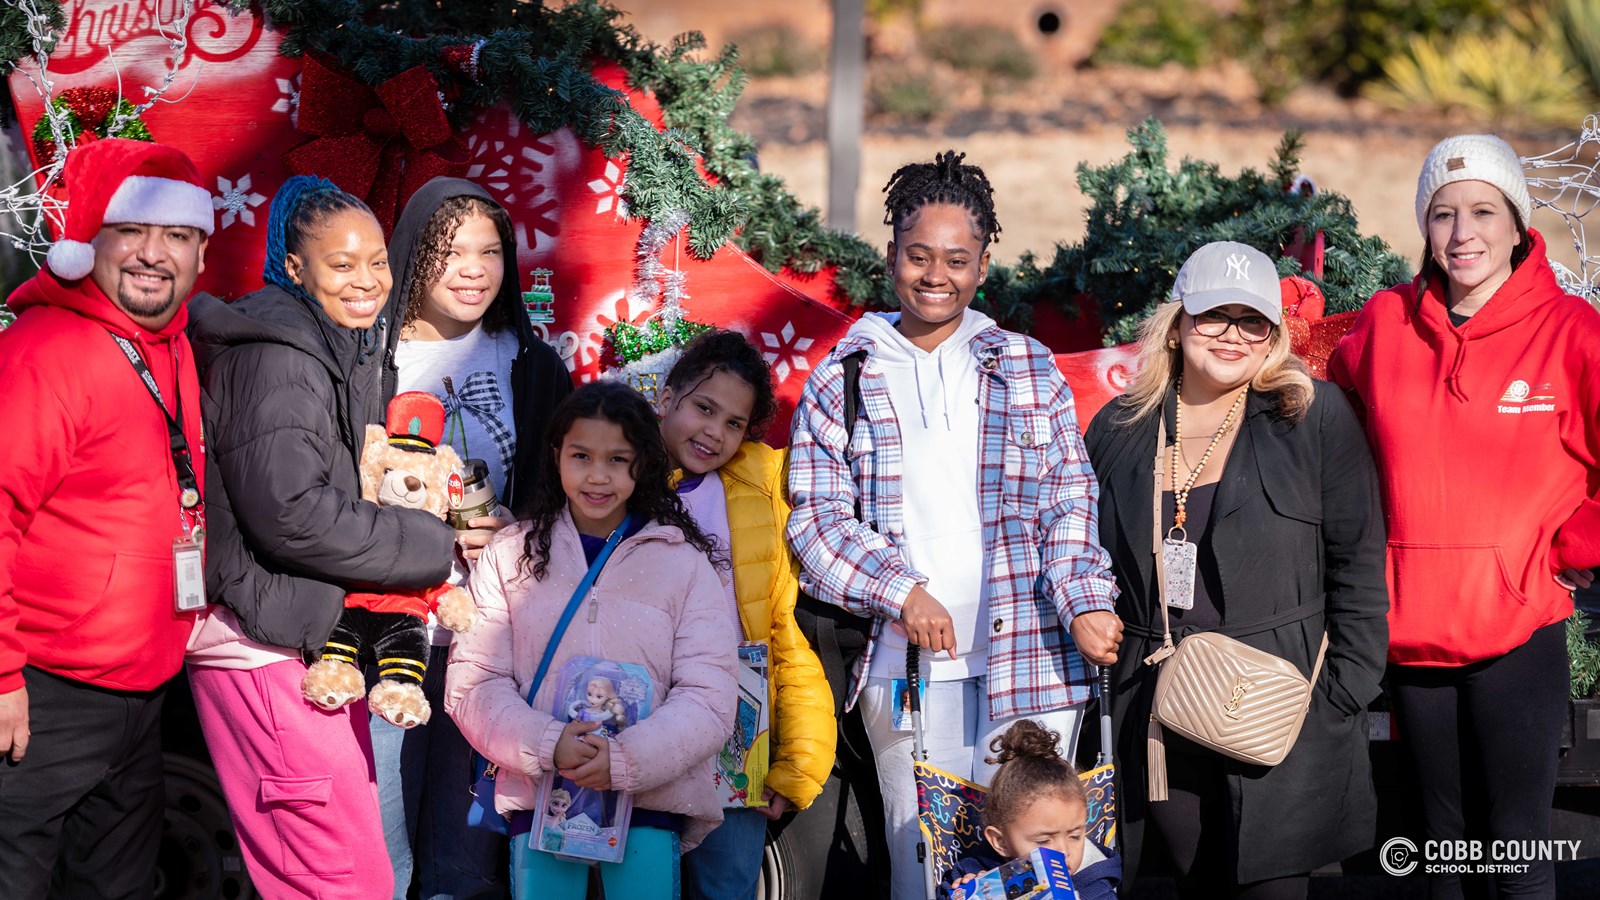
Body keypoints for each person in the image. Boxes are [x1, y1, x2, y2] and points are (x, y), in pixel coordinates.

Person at [786, 150, 1121, 900]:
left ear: (984, 264)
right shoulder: (844, 374)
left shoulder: (1027, 367)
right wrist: (902, 592)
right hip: (905, 671)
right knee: (929, 862)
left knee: (1038, 862)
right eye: (918, 255)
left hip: (1033, 657)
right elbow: (817, 523)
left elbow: (1069, 502)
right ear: (891, 254)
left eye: (957, 259)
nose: (936, 275)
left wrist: (1084, 600)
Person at [1329, 134, 1600, 900]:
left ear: (1518, 223)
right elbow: (1324, 423)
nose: (1462, 233)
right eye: (1442, 214)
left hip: (1518, 629)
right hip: (1412, 634)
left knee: (1515, 854)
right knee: (1441, 857)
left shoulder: (1572, 331)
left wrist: (1572, 542)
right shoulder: (1384, 325)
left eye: (1483, 211)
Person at [1084, 241, 1388, 899]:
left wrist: (1342, 695)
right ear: (1176, 325)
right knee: (1194, 884)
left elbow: (1358, 562)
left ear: (1274, 335)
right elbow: (1084, 556)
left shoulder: (1311, 417)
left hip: (1284, 709)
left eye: (1252, 320)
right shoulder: (1119, 427)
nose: (1232, 335)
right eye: (1212, 316)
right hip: (1162, 712)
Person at [184, 175, 456, 899]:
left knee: (347, 872)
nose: (366, 280)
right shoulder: (279, 358)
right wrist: (430, 544)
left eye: (376, 260)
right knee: (337, 881)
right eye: (342, 264)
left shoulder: (334, 345)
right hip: (262, 645)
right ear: (296, 269)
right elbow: (294, 514)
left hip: (304, 640)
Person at [0, 138, 214, 898]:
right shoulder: (47, 350)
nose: (155, 255)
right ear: (90, 240)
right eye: (133, 231)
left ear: (199, 254)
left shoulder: (172, 341)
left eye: (179, 236)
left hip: (140, 688)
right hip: (46, 690)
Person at [446, 381, 738, 900]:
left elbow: (710, 698)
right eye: (581, 456)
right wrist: (545, 742)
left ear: (643, 463)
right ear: (556, 453)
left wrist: (626, 758)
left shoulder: (685, 564)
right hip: (541, 800)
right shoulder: (509, 556)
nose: (598, 476)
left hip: (650, 801)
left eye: (618, 459)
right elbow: (474, 684)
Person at [373, 176, 573, 899]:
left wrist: (519, 530)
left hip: (489, 652)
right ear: (410, 254)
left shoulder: (532, 365)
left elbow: (575, 497)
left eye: (491, 252)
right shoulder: (368, 358)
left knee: (462, 871)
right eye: (450, 250)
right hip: (381, 643)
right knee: (377, 858)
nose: (474, 269)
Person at [657, 330, 837, 900]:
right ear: (667, 397)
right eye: (703, 408)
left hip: (737, 736)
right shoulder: (615, 477)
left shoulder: (759, 493)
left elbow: (781, 636)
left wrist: (797, 765)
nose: (714, 431)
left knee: (726, 884)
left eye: (734, 423)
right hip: (639, 713)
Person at [941, 720, 1120, 900]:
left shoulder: (1097, 887)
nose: (1064, 851)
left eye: (1074, 836)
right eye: (1043, 841)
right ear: (1000, 842)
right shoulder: (973, 872)